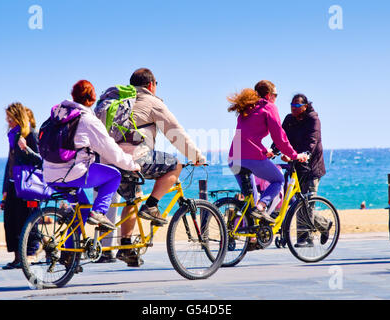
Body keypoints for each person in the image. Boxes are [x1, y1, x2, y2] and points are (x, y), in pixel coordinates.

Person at [110, 68, 206, 266]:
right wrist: (196, 156)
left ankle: (126, 246)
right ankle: (152, 205)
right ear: (151, 85)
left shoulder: (119, 102)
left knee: (131, 198)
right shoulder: (153, 102)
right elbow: (176, 133)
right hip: (137, 158)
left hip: (112, 160)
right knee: (175, 165)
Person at [42, 80, 141, 232]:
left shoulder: (56, 117)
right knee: (114, 175)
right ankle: (100, 212)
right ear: (92, 98)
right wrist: (132, 165)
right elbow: (111, 151)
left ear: (73, 95)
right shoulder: (88, 120)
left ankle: (68, 254)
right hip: (72, 174)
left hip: (49, 175)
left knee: (80, 211)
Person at [228, 81, 308, 223]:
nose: (276, 98)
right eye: (276, 95)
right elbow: (279, 137)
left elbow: (246, 136)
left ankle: (251, 238)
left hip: (234, 157)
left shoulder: (247, 107)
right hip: (251, 158)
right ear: (269, 95)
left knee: (250, 201)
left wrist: (264, 151)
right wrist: (295, 155)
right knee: (278, 180)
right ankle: (262, 206)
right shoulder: (269, 107)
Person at [272, 93, 331, 247]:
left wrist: (304, 155)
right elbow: (280, 138)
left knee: (308, 203)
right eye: (292, 105)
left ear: (305, 106)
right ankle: (324, 224)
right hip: (295, 166)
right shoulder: (289, 120)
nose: (294, 108)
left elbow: (313, 140)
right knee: (300, 203)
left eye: (297, 105)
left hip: (311, 166)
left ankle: (305, 239)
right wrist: (273, 151)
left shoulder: (313, 119)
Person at [0, 102, 42, 269]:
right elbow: (9, 163)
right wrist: (4, 189)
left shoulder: (30, 135)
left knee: (24, 220)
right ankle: (17, 258)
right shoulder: (13, 135)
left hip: (26, 185)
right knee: (10, 221)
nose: (8, 122)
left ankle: (26, 256)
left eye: (11, 119)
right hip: (12, 184)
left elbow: (40, 160)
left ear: (19, 118)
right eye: (7, 119)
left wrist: (26, 150)